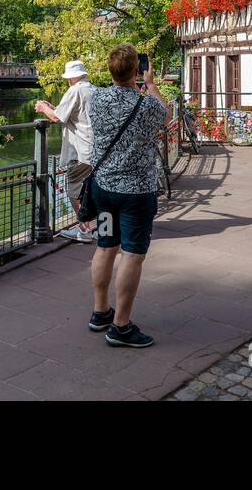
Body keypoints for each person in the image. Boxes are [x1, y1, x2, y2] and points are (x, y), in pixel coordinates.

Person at [84, 43, 168, 348]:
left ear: (110, 69)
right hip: (135, 196)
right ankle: (120, 327)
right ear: (136, 70)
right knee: (132, 253)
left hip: (103, 192)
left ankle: (100, 311)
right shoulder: (147, 105)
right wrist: (151, 84)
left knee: (106, 246)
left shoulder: (96, 99)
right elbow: (165, 113)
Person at [34, 60, 95, 242]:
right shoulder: (93, 89)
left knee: (73, 189)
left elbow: (57, 117)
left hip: (81, 151)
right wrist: (54, 109)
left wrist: (43, 108)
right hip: (97, 150)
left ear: (71, 77)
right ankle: (105, 229)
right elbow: (68, 114)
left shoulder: (74, 90)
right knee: (96, 189)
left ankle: (84, 230)